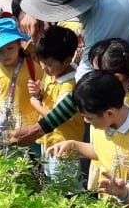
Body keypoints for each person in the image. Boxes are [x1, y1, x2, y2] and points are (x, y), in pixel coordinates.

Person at [9, 38, 129, 148]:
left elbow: (114, 148)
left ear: (117, 78)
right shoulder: (124, 90)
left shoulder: (120, 105)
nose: (91, 77)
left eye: (96, 73)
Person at [45, 70, 129, 199]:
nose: (86, 121)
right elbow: (101, 152)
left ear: (109, 113)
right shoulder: (101, 124)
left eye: (89, 118)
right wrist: (73, 145)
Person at [28, 25, 86, 187]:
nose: (44, 68)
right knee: (53, 179)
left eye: (48, 64)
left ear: (67, 60)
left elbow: (57, 116)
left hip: (64, 144)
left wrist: (36, 103)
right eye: (41, 62)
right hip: (50, 140)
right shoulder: (54, 73)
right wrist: (39, 93)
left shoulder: (70, 85)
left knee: (67, 185)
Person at [0, 18, 39, 147]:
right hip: (6, 125)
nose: (5, 54)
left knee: (35, 159)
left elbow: (44, 93)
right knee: (11, 159)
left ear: (19, 44)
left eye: (10, 48)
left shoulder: (32, 66)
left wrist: (38, 92)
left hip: (32, 125)